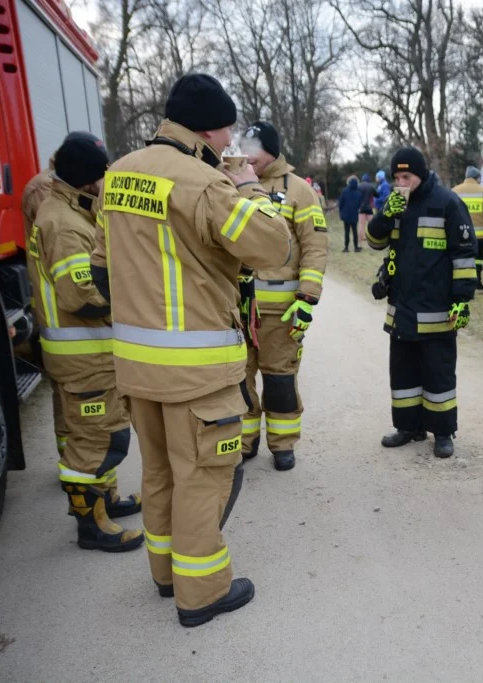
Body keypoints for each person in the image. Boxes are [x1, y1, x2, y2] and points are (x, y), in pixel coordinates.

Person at [94, 74, 291, 626]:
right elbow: (271, 247)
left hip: (136, 366)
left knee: (157, 472)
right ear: (209, 125)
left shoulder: (118, 175)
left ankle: (165, 574)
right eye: (228, 127)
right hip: (196, 372)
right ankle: (201, 593)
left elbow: (100, 269)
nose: (232, 138)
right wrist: (250, 186)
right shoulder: (204, 183)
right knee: (204, 478)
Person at [26, 132, 143, 553]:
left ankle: (105, 502)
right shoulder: (62, 222)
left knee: (102, 430)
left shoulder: (75, 211)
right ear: (85, 179)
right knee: (97, 440)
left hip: (90, 352)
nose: (106, 179)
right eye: (101, 173)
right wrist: (132, 289)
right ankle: (91, 527)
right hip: (82, 355)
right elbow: (82, 296)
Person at [365, 147, 477, 458]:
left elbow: (464, 256)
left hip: (438, 310)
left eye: (407, 176)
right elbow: (374, 242)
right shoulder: (394, 205)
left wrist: (462, 300)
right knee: (403, 374)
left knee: (438, 374)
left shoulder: (447, 203)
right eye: (397, 177)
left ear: (421, 174)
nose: (402, 182)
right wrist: (386, 214)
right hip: (402, 308)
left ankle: (442, 432)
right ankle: (408, 427)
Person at [237, 120, 328, 471]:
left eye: (252, 156)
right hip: (236, 309)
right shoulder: (229, 183)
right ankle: (245, 443)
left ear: (271, 153)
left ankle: (282, 443)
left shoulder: (298, 190)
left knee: (279, 381)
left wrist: (307, 298)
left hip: (282, 311)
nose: (245, 160)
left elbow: (315, 247)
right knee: (238, 380)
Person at [22, 156, 68, 462]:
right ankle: (77, 461)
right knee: (68, 388)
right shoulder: (45, 190)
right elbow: (58, 236)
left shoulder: (50, 187)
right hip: (59, 306)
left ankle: (76, 459)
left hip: (59, 303)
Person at [450, 166, 483, 290]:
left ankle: (460, 283)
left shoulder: (454, 191)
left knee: (460, 259)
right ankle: (477, 281)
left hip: (458, 233)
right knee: (478, 259)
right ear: (477, 178)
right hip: (479, 234)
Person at [338, 175, 363, 252]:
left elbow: (340, 202)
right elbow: (359, 203)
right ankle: (356, 247)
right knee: (354, 231)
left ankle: (346, 247)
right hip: (354, 214)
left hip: (346, 214)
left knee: (346, 231)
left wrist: (341, 210)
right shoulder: (358, 193)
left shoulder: (344, 191)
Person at [357, 173, 375, 249]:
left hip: (361, 208)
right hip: (369, 208)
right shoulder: (371, 186)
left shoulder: (358, 186)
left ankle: (360, 244)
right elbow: (377, 194)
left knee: (361, 226)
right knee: (372, 225)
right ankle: (373, 243)